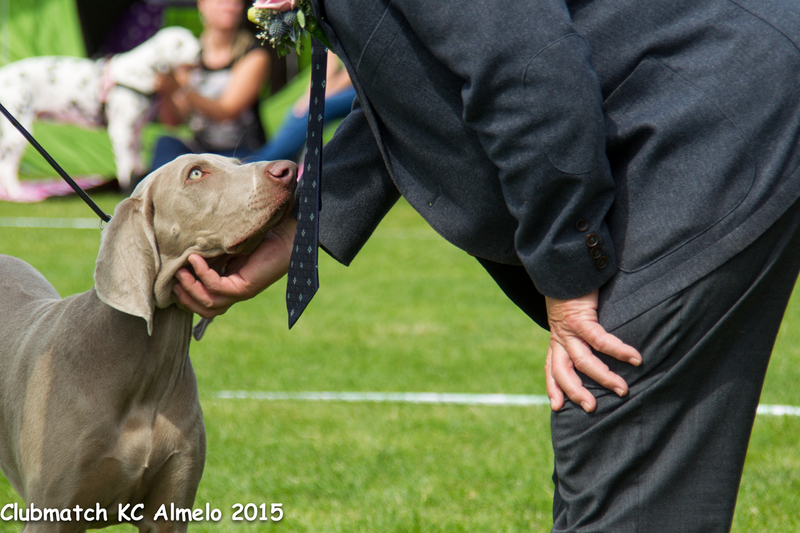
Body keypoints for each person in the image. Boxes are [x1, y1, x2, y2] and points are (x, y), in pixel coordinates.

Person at [172, 1, 800, 531]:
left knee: (622, 462)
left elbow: (523, 61)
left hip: (709, 117)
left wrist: (569, 271)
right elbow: (412, 78)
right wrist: (301, 228)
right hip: (706, 105)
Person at [151, 0, 270, 170]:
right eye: (222, 2)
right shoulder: (189, 53)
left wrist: (180, 89)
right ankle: (151, 194)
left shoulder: (253, 54)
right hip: (201, 149)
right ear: (202, 4)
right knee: (165, 143)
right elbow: (173, 121)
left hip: (242, 152)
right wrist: (165, 91)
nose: (229, 6)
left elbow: (227, 111)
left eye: (236, 2)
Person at [250, 52, 355, 162]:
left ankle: (260, 161)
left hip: (361, 85)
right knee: (297, 110)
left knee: (314, 110)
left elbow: (356, 70)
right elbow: (324, 62)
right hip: (340, 83)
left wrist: (320, 98)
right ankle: (265, 159)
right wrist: (309, 97)